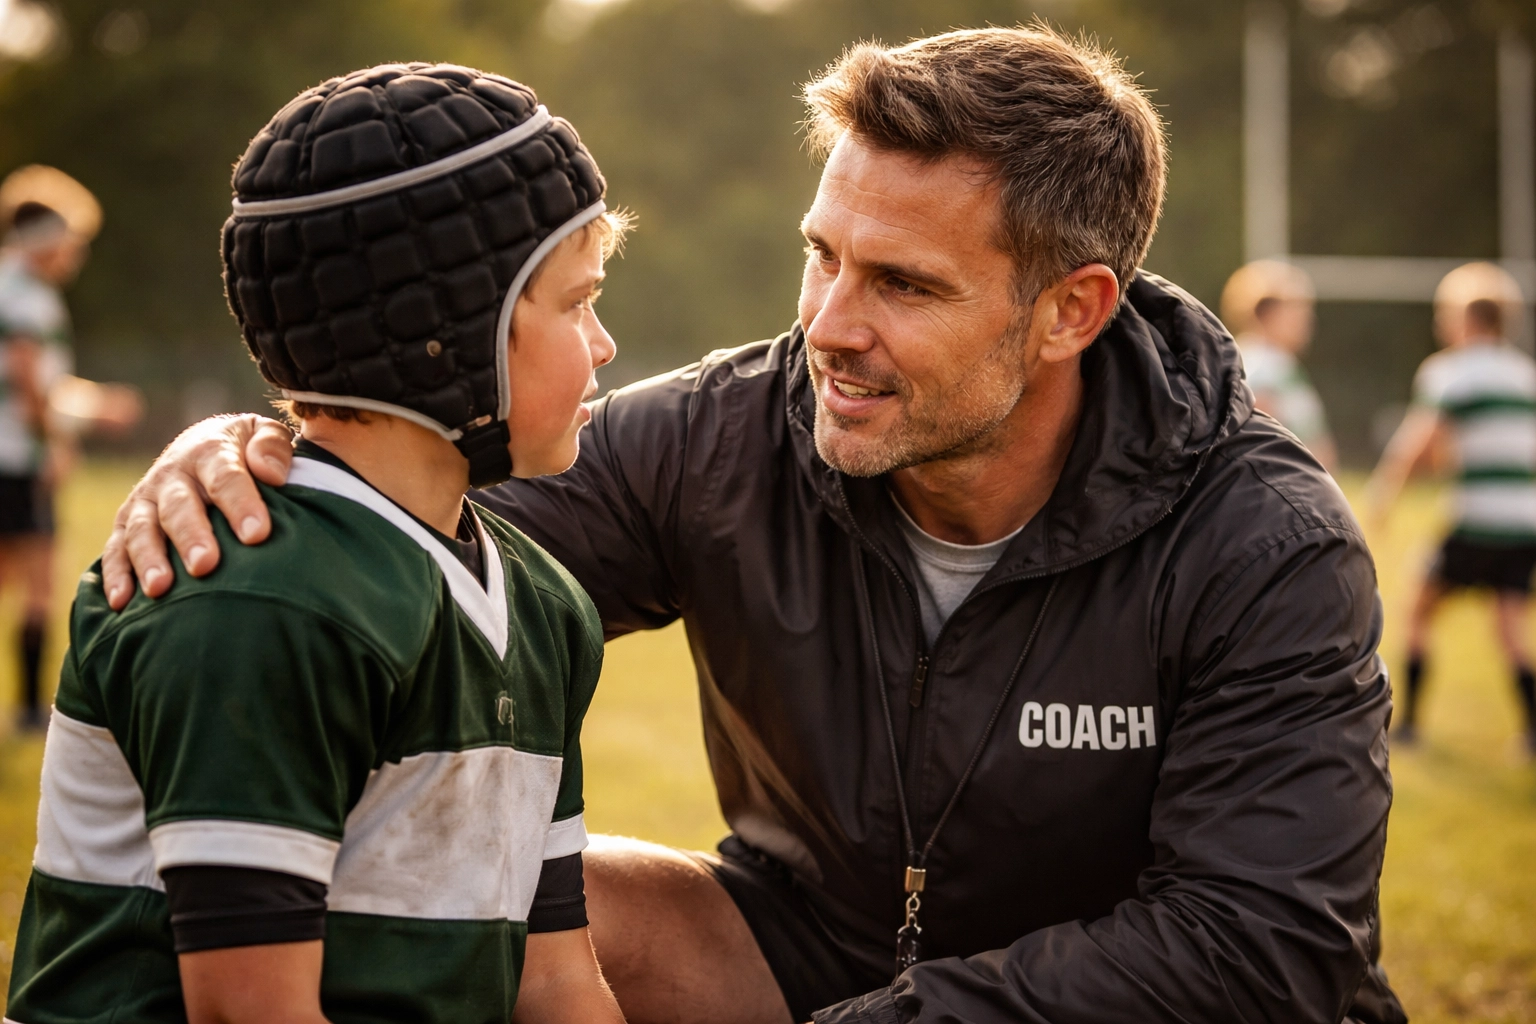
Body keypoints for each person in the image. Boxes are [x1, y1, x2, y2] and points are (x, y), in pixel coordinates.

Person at [101, 28, 1403, 1024]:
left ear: (1071, 311)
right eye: (821, 254)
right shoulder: (717, 440)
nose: (830, 324)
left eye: (901, 282)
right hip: (794, 953)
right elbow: (402, 549)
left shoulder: (1264, 541)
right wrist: (256, 453)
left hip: (1097, 1005)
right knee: (463, 895)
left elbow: (1260, 943)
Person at [7, 64, 629, 1024]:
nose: (604, 345)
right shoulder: (255, 599)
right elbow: (247, 1012)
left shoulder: (544, 604)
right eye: (576, 301)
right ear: (448, 328)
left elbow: (555, 983)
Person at [1368, 261, 1536, 750]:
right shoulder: (1525, 375)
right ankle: (1531, 732)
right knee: (1510, 627)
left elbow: (1419, 443)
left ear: (1466, 318)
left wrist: (1385, 493)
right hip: (1524, 522)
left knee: (1416, 609)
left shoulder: (1449, 371)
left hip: (1476, 518)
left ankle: (1411, 725)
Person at [0, 165, 141, 732]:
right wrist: (55, 442)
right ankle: (32, 709)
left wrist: (94, 404)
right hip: (17, 458)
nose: (75, 255)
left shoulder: (11, 285)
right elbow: (31, 387)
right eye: (71, 241)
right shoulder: (30, 300)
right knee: (38, 579)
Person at [1221, 258, 1338, 472]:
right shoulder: (1259, 365)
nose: (1307, 318)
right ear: (1267, 313)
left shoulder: (1279, 363)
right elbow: (1257, 445)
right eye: (1296, 309)